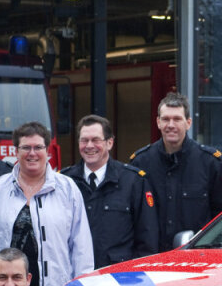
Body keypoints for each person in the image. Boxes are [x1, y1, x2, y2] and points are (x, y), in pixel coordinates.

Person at [0, 121, 93, 286]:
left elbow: (81, 247)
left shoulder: (67, 189)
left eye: (38, 147)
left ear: (47, 151)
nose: (32, 153)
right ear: (16, 151)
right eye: (26, 147)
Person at [129, 92, 222, 250]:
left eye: (177, 119)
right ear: (158, 122)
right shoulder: (141, 162)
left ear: (188, 123)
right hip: (152, 257)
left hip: (197, 258)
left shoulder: (211, 163)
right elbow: (129, 216)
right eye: (166, 119)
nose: (171, 125)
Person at [62, 114, 159, 268]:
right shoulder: (65, 182)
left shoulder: (133, 181)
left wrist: (133, 274)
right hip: (75, 274)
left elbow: (147, 240)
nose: (89, 146)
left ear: (109, 143)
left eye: (96, 140)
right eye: (84, 140)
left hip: (118, 275)